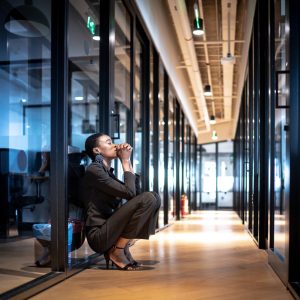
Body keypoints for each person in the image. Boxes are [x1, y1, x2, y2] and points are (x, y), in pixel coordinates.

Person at [83, 133, 161, 271]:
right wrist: (124, 161)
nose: (115, 145)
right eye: (108, 142)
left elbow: (134, 196)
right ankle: (117, 250)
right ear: (97, 150)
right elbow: (130, 193)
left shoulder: (108, 172)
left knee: (154, 197)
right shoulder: (94, 169)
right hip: (99, 235)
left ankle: (121, 247)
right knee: (149, 197)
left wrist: (128, 161)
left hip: (111, 230)